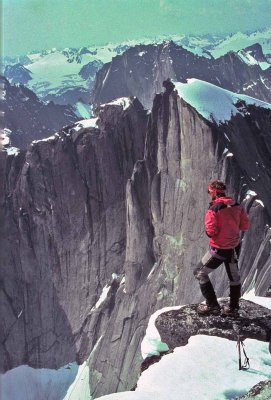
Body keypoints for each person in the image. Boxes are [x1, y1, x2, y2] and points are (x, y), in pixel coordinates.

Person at [194, 180, 250, 316]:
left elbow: (210, 231)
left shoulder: (213, 209)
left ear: (213, 192)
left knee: (199, 272)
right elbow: (244, 226)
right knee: (234, 277)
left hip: (219, 249)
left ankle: (212, 305)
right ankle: (233, 308)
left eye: (209, 192)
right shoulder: (236, 205)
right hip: (234, 248)